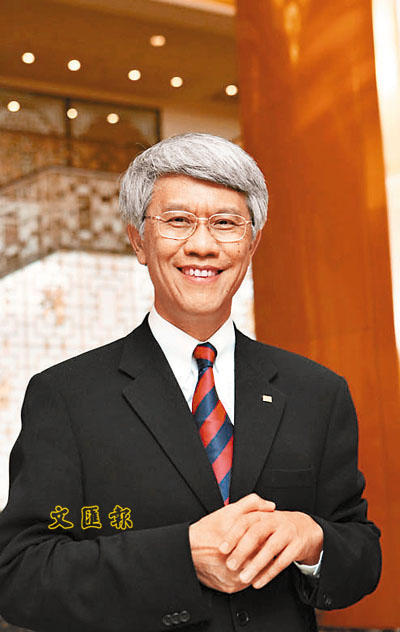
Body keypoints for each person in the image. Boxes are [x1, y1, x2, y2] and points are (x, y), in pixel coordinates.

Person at [0, 133, 381, 632]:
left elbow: (360, 552)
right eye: (178, 221)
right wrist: (180, 559)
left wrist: (313, 542)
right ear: (138, 240)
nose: (203, 245)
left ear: (252, 242)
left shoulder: (317, 392)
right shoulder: (66, 396)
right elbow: (22, 574)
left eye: (225, 223)